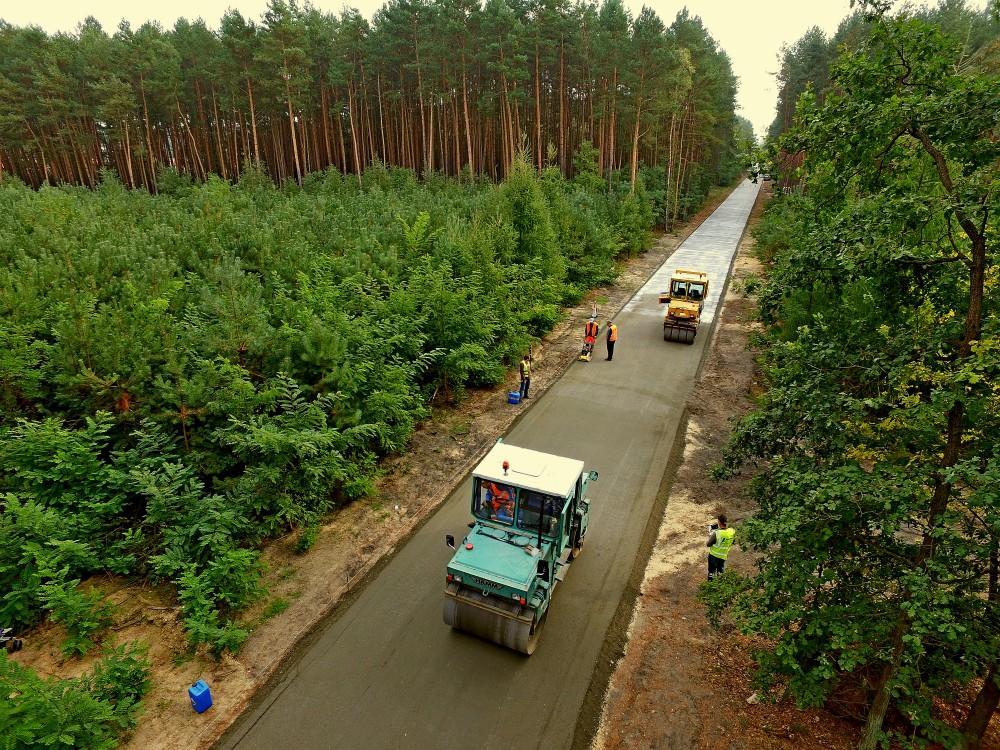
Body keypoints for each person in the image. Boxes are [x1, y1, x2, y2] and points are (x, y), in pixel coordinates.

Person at [706, 513, 736, 580]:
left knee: (711, 573)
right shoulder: (732, 531)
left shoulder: (717, 533)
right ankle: (721, 587)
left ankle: (710, 587)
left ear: (719, 522)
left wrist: (710, 534)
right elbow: (733, 541)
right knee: (720, 573)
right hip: (723, 556)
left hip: (713, 556)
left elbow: (708, 544)